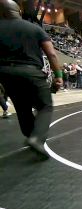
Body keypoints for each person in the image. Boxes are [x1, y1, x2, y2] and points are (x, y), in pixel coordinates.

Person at [0, 0, 63, 159]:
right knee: (45, 106)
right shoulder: (35, 28)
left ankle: (31, 137)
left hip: (6, 73)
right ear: (19, 12)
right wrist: (59, 77)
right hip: (31, 71)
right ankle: (36, 139)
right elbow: (52, 54)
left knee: (22, 108)